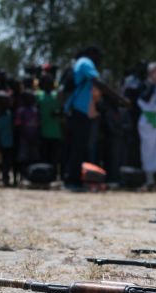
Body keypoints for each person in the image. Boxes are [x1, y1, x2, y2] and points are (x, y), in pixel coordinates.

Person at [64, 46, 102, 190]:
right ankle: (73, 181)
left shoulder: (78, 63)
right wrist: (118, 99)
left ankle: (71, 179)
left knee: (74, 146)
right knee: (78, 147)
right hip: (79, 110)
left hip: (76, 110)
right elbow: (97, 81)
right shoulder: (86, 62)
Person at [36, 72, 62, 177]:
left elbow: (63, 110)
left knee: (54, 157)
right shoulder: (38, 95)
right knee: (43, 156)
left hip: (56, 132)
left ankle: (53, 176)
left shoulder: (58, 95)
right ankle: (43, 176)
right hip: (42, 131)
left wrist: (59, 113)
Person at [15, 90, 40, 178]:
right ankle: (23, 176)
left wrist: (35, 137)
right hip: (24, 138)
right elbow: (18, 125)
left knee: (33, 158)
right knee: (23, 158)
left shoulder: (35, 110)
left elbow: (38, 124)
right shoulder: (21, 111)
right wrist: (25, 136)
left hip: (34, 138)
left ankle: (32, 177)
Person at [0, 90, 14, 186]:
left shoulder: (10, 114)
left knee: (7, 162)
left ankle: (6, 178)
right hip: (0, 143)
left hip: (9, 142)